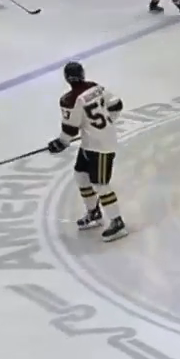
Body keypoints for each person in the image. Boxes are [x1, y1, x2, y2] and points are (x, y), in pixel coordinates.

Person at [46, 61, 128, 242]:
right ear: (83, 74)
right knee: (81, 176)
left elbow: (70, 130)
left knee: (100, 184)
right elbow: (116, 105)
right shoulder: (95, 87)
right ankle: (94, 213)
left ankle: (117, 222)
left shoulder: (69, 99)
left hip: (100, 147)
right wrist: (105, 124)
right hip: (92, 143)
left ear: (66, 78)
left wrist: (60, 143)